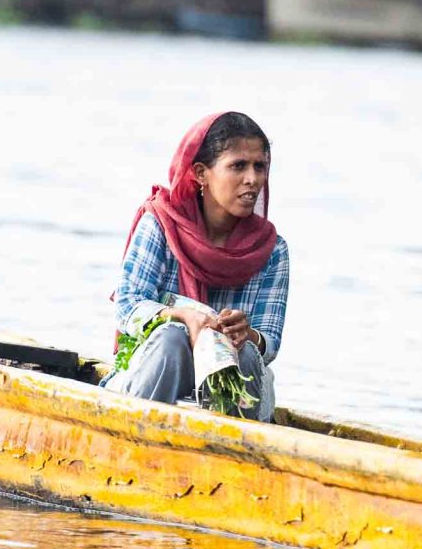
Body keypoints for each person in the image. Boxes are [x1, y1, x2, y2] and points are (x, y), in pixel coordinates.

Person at [102, 112, 289, 420]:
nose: (252, 179)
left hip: (238, 394)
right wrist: (183, 316)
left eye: (260, 166)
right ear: (201, 173)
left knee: (242, 352)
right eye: (238, 166)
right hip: (148, 380)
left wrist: (248, 334)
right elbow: (127, 307)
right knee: (172, 338)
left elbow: (270, 343)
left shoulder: (272, 250)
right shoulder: (161, 225)